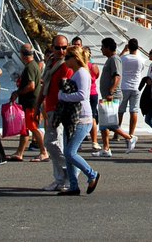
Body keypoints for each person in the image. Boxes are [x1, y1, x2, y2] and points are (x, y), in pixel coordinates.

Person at [54, 48, 101, 195]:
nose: (65, 60)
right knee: (68, 154)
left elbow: (82, 95)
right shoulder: (77, 73)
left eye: (68, 57)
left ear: (75, 57)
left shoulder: (81, 73)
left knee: (70, 152)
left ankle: (92, 174)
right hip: (73, 117)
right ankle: (73, 185)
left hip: (82, 117)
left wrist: (62, 96)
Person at [34, 35, 70, 191]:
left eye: (64, 47)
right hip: (50, 107)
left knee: (52, 142)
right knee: (54, 143)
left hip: (60, 109)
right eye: (58, 47)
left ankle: (69, 172)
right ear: (52, 47)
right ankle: (59, 179)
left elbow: (66, 88)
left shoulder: (66, 65)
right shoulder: (51, 64)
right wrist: (37, 106)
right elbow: (44, 87)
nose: (61, 51)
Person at [94, 37, 130, 158]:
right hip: (107, 95)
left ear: (108, 47)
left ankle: (129, 137)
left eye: (103, 47)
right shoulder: (111, 59)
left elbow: (117, 77)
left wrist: (111, 91)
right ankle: (106, 148)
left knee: (109, 123)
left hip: (112, 96)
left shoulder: (114, 59)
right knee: (104, 123)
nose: (101, 49)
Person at [9, 44, 44, 161]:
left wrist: (17, 93)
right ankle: (19, 152)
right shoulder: (33, 66)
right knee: (25, 128)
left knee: (32, 127)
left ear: (22, 55)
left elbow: (31, 86)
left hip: (30, 102)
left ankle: (44, 151)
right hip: (30, 102)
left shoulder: (30, 67)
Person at [117, 38, 143, 152]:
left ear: (129, 47)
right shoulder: (141, 59)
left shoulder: (124, 58)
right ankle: (131, 134)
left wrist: (123, 51)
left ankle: (117, 132)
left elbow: (117, 60)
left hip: (124, 86)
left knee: (120, 110)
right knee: (134, 111)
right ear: (137, 48)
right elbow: (141, 69)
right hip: (136, 87)